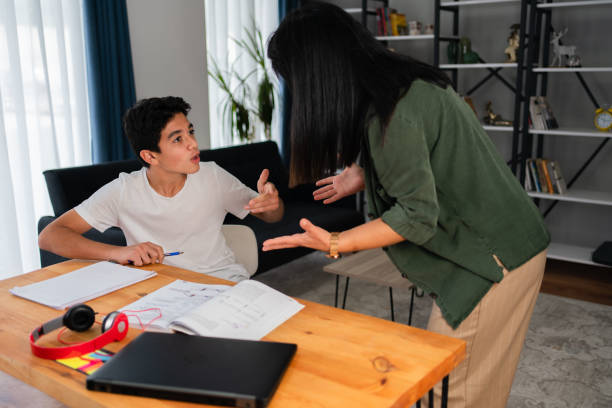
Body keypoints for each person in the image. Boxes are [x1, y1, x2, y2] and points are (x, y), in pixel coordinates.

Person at [262, 3, 549, 408]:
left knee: (453, 387)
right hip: (504, 241)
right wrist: (366, 171)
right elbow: (426, 151)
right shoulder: (401, 82)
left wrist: (336, 241)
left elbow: (415, 216)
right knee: (473, 380)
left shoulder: (391, 113)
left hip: (493, 257)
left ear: (319, 75)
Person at [39, 96, 284, 282]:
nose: (193, 144)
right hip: (158, 290)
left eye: (190, 132)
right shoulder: (124, 190)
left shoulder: (213, 176)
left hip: (223, 282)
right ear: (150, 156)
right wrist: (118, 252)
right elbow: (50, 236)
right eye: (178, 139)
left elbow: (272, 216)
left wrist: (272, 203)